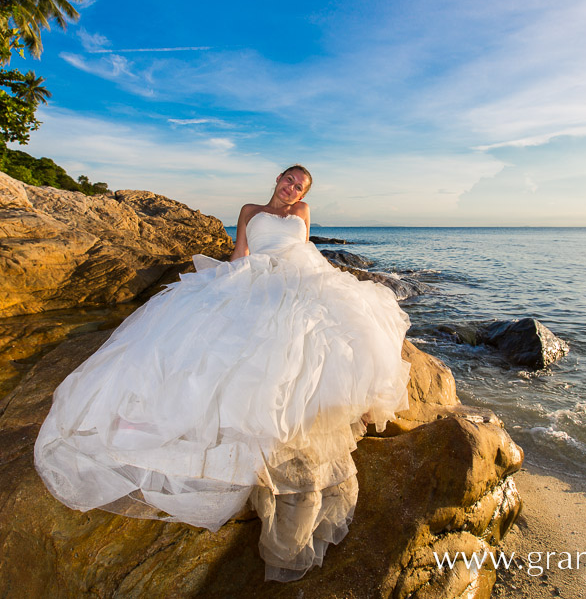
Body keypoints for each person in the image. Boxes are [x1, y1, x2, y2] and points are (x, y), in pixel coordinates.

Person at [33, 165, 412, 581]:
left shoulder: (302, 212)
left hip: (299, 276)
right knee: (217, 349)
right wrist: (222, 285)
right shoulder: (250, 210)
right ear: (277, 179)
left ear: (305, 193)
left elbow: (307, 253)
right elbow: (240, 255)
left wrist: (321, 285)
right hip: (257, 275)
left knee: (314, 342)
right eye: (288, 181)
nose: (292, 189)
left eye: (300, 187)